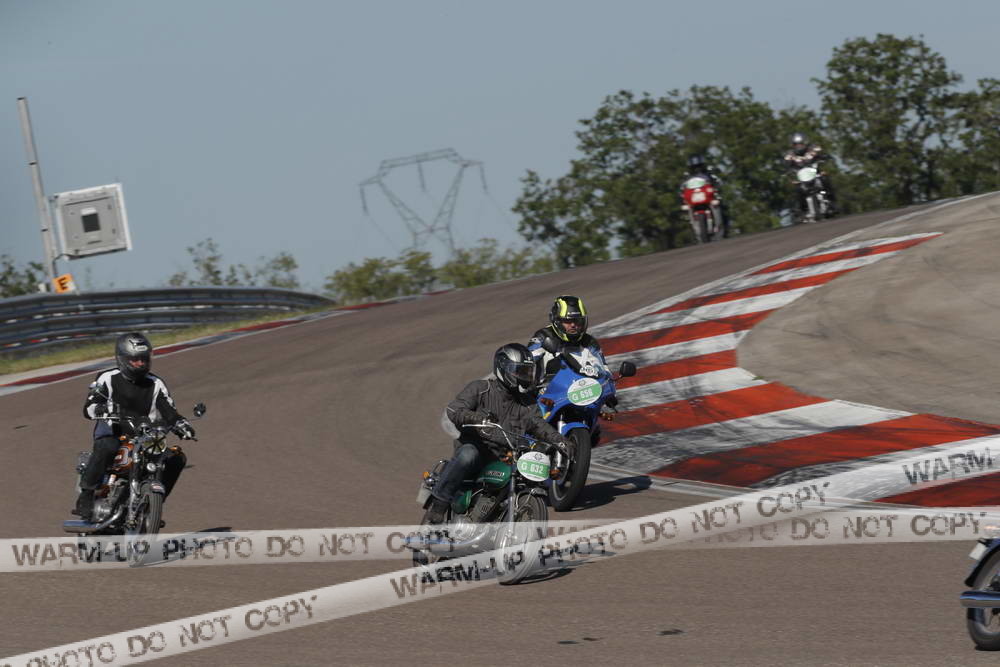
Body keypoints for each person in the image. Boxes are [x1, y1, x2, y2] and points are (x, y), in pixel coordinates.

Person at [425, 343, 571, 524]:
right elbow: (455, 409)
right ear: (504, 368)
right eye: (521, 372)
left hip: (507, 456)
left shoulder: (528, 404)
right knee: (468, 454)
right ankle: (440, 502)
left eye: (528, 372)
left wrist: (560, 440)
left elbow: (539, 425)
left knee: (532, 471)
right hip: (478, 449)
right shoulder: (481, 388)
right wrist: (475, 417)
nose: (526, 377)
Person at [72, 332, 196, 522]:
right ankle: (86, 495)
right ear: (122, 358)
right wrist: (104, 409)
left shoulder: (156, 383)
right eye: (135, 359)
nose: (140, 363)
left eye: (144, 359)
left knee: (176, 459)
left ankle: (152, 504)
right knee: (107, 446)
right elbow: (89, 407)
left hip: (146, 437)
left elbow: (169, 411)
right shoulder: (107, 378)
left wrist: (181, 423)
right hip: (114, 433)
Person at [527, 295, 605, 382]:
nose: (573, 325)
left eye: (577, 321)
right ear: (557, 321)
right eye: (567, 321)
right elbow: (527, 363)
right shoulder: (543, 337)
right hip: (548, 388)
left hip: (585, 386)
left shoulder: (589, 341)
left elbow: (604, 371)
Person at [783, 132, 838, 214]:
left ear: (805, 142)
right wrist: (788, 171)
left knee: (824, 178)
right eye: (796, 144)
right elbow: (786, 165)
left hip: (815, 173)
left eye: (800, 144)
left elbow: (823, 155)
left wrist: (825, 158)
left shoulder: (814, 148)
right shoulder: (789, 155)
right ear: (792, 145)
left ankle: (831, 201)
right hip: (801, 177)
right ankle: (802, 209)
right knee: (797, 188)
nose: (799, 146)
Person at [678, 154, 730, 234]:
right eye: (694, 167)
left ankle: (724, 226)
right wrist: (681, 193)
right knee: (685, 210)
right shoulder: (687, 176)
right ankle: (692, 227)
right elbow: (682, 186)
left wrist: (716, 187)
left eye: (698, 166)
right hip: (694, 197)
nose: (696, 169)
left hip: (708, 196)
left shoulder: (708, 173)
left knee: (721, 205)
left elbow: (716, 181)